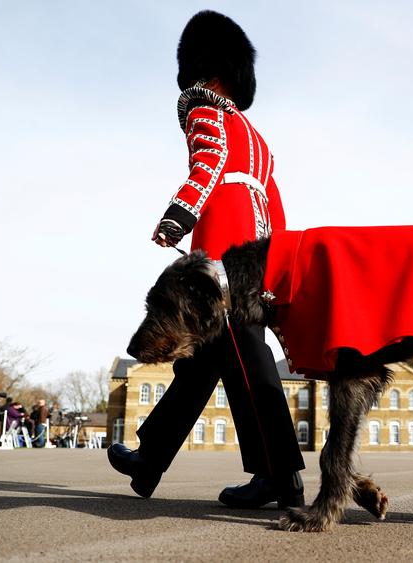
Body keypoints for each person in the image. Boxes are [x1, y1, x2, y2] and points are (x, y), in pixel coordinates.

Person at [108, 10, 305, 509]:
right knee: (201, 358)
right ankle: (149, 460)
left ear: (203, 69)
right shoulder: (258, 137)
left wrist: (179, 213)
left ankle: (279, 474)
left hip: (224, 237)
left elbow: (209, 163)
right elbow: (274, 199)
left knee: (241, 349)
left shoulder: (205, 110)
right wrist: (278, 259)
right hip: (259, 244)